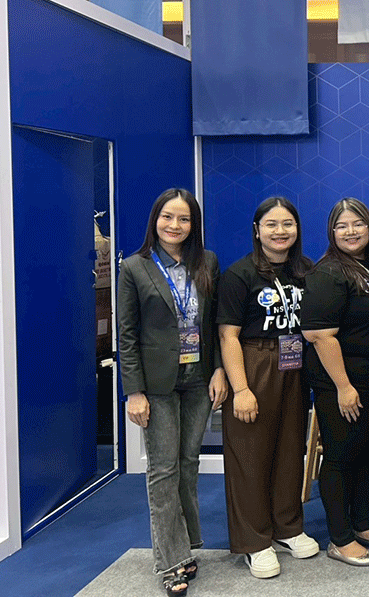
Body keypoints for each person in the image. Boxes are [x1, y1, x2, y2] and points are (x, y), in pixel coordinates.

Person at [118, 189, 226, 595]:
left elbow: (214, 323)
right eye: (167, 217)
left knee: (187, 464)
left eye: (183, 219)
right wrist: (134, 392)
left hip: (198, 378)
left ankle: (186, 545)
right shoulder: (134, 267)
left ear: (193, 224)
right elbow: (127, 335)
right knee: (162, 470)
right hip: (157, 384)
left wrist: (219, 369)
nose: (174, 225)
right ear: (155, 220)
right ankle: (170, 562)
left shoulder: (207, 261)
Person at [217, 197, 320, 579]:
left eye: (288, 224)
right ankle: (254, 540)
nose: (280, 231)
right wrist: (241, 388)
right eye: (272, 224)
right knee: (250, 456)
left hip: (294, 365)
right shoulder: (239, 274)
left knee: (290, 449)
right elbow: (227, 335)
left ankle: (287, 527)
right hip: (254, 362)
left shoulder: (305, 270)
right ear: (257, 230)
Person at [301, 198, 369, 568]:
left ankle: (363, 524)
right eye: (342, 226)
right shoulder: (328, 273)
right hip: (344, 384)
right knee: (341, 457)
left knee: (366, 452)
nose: (351, 231)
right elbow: (320, 336)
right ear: (332, 232)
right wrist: (344, 386)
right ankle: (340, 539)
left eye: (357, 223)